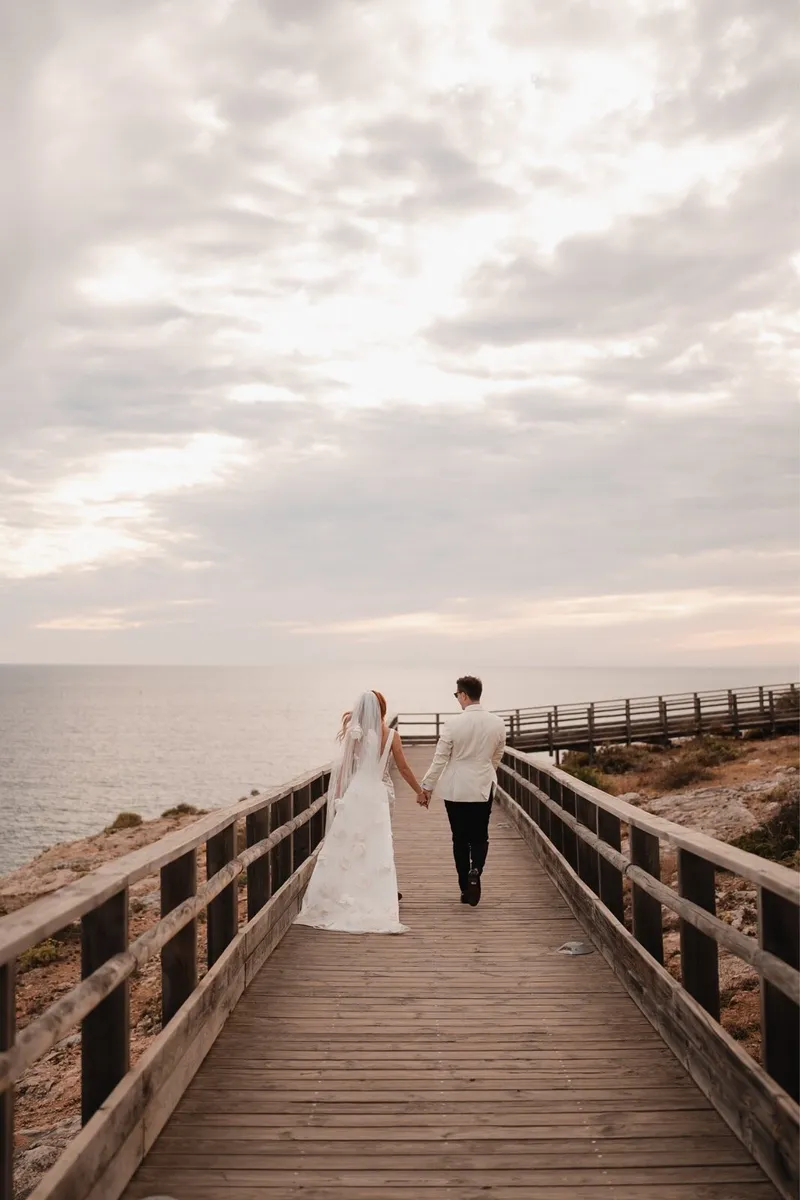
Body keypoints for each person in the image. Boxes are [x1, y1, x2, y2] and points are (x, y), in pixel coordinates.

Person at [295, 690, 426, 933]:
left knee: (350, 842)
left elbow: (345, 766)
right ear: (382, 709)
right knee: (376, 842)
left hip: (356, 792)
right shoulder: (392, 736)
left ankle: (347, 891)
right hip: (380, 792)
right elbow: (404, 768)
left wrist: (336, 796)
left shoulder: (356, 734)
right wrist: (420, 791)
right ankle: (376, 890)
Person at [419, 675, 506, 906]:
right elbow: (497, 755)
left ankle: (464, 887)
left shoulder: (452, 724)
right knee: (480, 836)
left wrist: (427, 787)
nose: (457, 698)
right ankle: (476, 870)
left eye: (457, 694)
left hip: (456, 788)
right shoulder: (497, 723)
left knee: (460, 839)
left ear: (464, 695)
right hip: (482, 786)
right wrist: (487, 771)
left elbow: (440, 759)